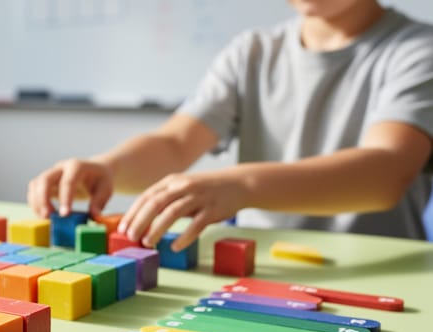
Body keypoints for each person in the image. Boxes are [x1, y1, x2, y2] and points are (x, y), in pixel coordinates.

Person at [27, 0, 433, 251]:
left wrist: (241, 186)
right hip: (262, 269)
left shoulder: (418, 50)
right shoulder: (252, 51)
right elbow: (174, 143)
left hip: (382, 271)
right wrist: (108, 168)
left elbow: (387, 171)